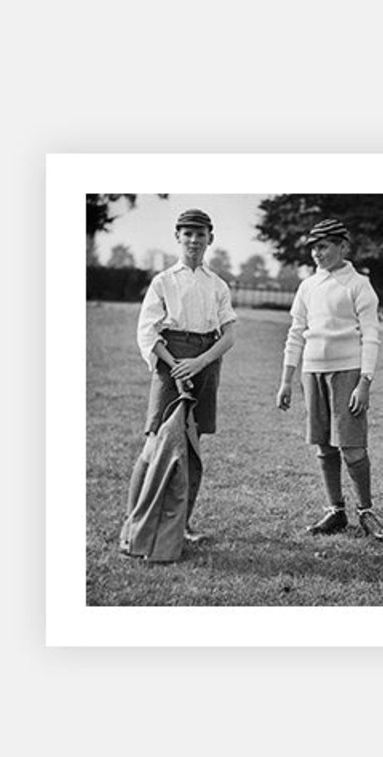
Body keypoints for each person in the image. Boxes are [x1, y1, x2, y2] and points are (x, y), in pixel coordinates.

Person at [122, 208, 237, 546]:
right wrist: (176, 365)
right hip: (170, 360)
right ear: (177, 237)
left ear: (210, 239)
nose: (194, 240)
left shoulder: (217, 285)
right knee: (155, 441)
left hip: (205, 362)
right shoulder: (163, 281)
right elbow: (148, 331)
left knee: (191, 447)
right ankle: (135, 523)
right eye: (187, 233)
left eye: (200, 234)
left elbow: (228, 336)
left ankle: (181, 526)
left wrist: (200, 363)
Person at [276, 218, 383, 541]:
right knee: (324, 446)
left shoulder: (358, 284)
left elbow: (371, 335)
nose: (318, 253)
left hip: (348, 372)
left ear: (343, 246)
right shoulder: (307, 286)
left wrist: (364, 381)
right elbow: (296, 332)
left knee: (352, 448)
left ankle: (366, 512)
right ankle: (335, 510)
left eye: (324, 245)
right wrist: (287, 379)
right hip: (312, 373)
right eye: (314, 247)